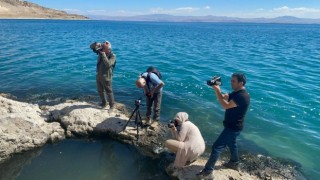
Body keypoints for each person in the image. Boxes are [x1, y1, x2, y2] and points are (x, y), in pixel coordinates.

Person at [197, 73, 250, 177]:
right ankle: (234, 163)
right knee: (232, 144)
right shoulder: (236, 93)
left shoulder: (242, 96)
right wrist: (217, 89)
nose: (231, 83)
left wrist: (217, 91)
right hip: (232, 126)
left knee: (216, 147)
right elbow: (222, 97)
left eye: (233, 81)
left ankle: (208, 171)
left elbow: (225, 106)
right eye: (231, 80)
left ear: (241, 83)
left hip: (233, 127)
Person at [94, 41, 116, 112]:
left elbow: (108, 64)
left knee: (109, 92)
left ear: (108, 49)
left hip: (107, 76)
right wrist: (96, 44)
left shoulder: (112, 56)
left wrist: (103, 55)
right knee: (100, 90)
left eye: (104, 47)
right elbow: (91, 47)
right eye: (102, 47)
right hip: (99, 75)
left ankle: (112, 106)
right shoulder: (100, 51)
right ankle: (104, 103)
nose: (102, 48)